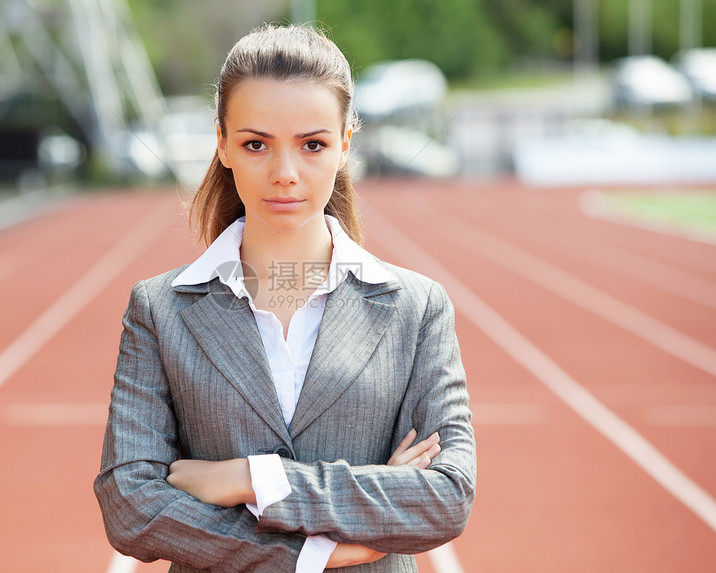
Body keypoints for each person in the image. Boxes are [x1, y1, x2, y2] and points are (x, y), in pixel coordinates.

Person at [94, 24, 475, 573]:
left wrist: (252, 479)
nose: (285, 174)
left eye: (313, 144)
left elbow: (445, 497)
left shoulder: (417, 308)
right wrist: (317, 551)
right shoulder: (158, 309)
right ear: (221, 143)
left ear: (346, 143)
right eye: (256, 144)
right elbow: (131, 505)